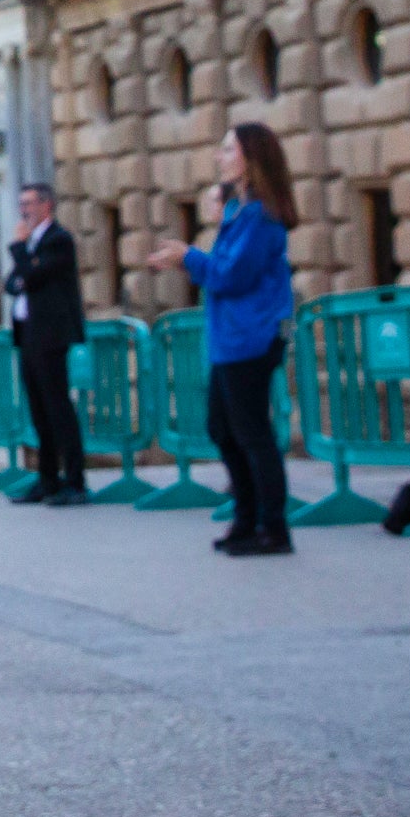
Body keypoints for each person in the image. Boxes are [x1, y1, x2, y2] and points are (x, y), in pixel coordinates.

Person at [151, 122, 300, 557]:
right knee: (223, 426)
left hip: (252, 336)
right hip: (233, 336)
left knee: (251, 432)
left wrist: (187, 258)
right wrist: (192, 258)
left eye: (228, 149)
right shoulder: (242, 211)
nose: (220, 157)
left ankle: (272, 527)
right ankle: (246, 517)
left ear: (250, 158)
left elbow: (232, 274)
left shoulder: (260, 216)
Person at [6, 181, 86, 504]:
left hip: (51, 335)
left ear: (46, 205)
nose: (24, 210)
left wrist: (20, 250)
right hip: (28, 335)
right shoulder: (33, 246)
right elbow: (13, 283)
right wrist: (24, 262)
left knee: (58, 408)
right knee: (39, 410)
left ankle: (76, 481)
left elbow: (33, 276)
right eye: (22, 204)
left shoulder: (58, 240)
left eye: (30, 204)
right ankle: (48, 477)